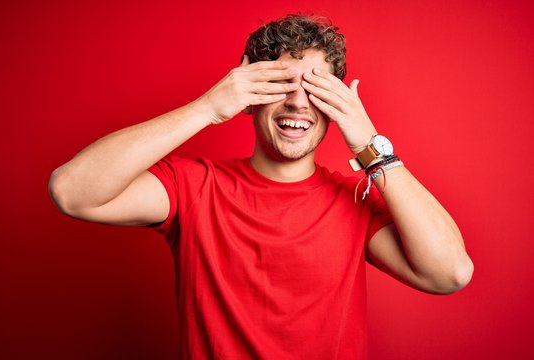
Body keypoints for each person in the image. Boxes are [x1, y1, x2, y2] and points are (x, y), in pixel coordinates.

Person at [49, 14, 473, 359]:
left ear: (337, 103)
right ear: (249, 95)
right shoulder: (194, 187)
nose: (297, 101)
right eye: (280, 84)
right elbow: (72, 191)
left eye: (314, 87)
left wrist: (370, 146)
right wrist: (207, 108)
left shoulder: (352, 201)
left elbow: (450, 273)